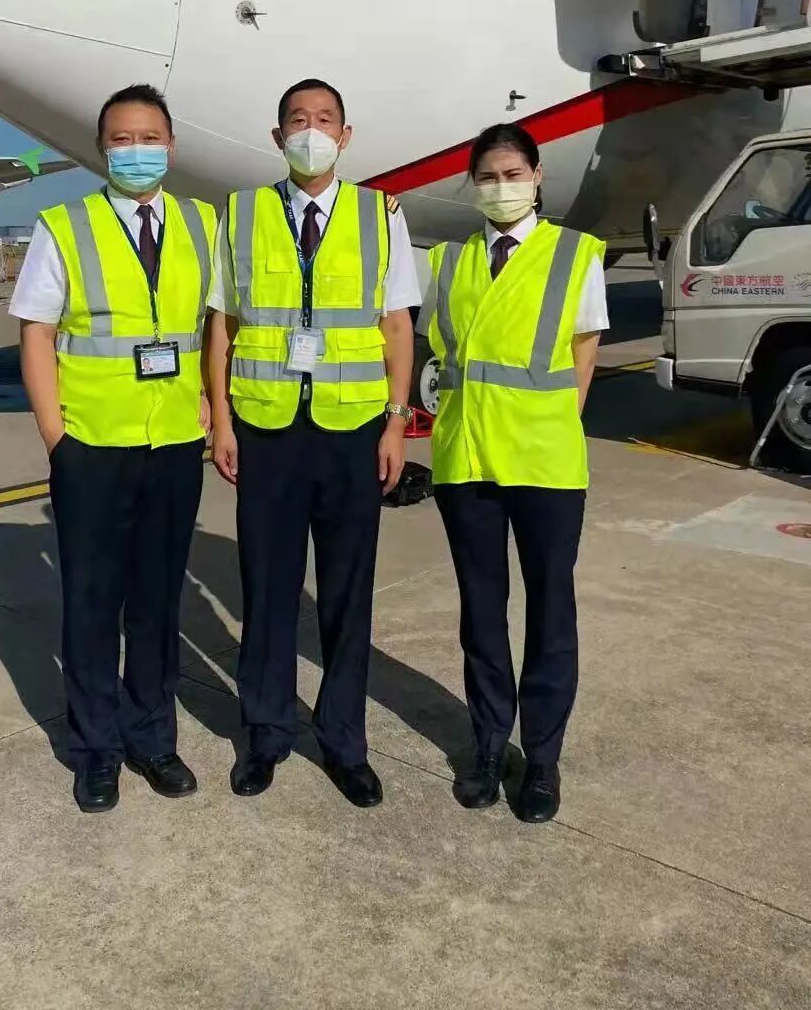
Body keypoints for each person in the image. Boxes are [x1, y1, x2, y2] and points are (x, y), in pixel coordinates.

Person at [208, 79, 421, 807]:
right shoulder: (240, 214)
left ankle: (344, 742)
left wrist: (396, 421)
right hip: (267, 427)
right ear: (277, 137)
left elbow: (397, 326)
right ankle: (266, 734)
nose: (311, 131)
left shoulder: (382, 215)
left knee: (347, 595)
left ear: (345, 135)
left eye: (325, 119)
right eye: (298, 120)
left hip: (352, 430)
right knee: (267, 591)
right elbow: (223, 325)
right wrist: (222, 419)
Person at [11, 84, 216, 814]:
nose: (137, 151)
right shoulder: (65, 225)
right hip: (92, 445)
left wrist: (212, 408)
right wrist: (56, 437)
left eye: (149, 137)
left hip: (174, 443)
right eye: (122, 139)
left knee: (157, 603)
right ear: (101, 149)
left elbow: (214, 328)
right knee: (93, 603)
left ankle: (152, 738)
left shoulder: (201, 223)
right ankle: (95, 749)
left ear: (171, 145)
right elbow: (37, 333)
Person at [426, 122, 606, 824]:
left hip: (543, 461)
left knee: (550, 611)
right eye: (488, 177)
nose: (501, 187)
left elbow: (584, 351)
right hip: (466, 457)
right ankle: (487, 744)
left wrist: (553, 423)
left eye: (512, 174)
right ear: (474, 185)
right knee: (481, 612)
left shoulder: (574, 254)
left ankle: (543, 758)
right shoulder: (450, 261)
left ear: (536, 177)